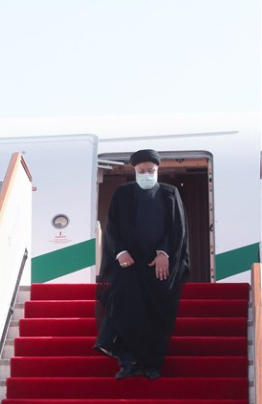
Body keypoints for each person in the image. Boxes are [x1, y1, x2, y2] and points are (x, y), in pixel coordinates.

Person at [94, 149, 189, 380]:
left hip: (159, 265)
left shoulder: (170, 193)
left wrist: (164, 253)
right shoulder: (123, 193)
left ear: (158, 170)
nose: (147, 174)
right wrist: (120, 252)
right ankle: (128, 362)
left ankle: (151, 363)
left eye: (151, 170)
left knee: (154, 314)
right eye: (142, 171)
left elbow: (177, 229)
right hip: (130, 264)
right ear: (134, 170)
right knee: (126, 310)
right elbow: (112, 226)